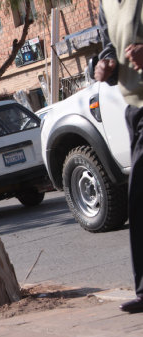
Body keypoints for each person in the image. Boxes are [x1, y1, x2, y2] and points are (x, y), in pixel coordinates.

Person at [96, 0, 143, 313]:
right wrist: (104, 65)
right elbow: (107, 46)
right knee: (138, 199)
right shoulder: (106, 4)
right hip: (136, 109)